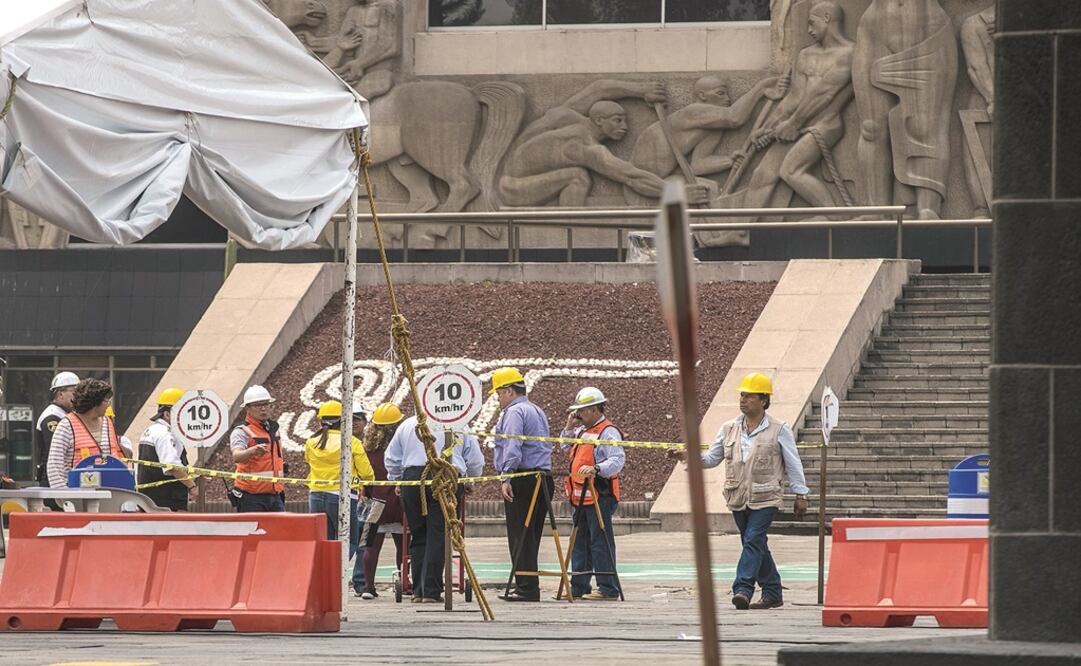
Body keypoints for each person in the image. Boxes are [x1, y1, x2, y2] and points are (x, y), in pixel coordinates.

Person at [670, 372, 809, 610]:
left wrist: (801, 494)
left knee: (753, 540)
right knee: (755, 543)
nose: (743, 400)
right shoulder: (729, 428)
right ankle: (773, 592)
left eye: (749, 396)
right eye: (742, 395)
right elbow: (712, 458)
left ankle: (743, 589)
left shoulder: (779, 429)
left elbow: (793, 463)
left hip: (766, 497)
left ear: (764, 400)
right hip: (738, 497)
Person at [385, 412, 481, 603]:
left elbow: (392, 457)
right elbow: (475, 459)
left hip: (413, 480)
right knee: (439, 536)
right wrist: (470, 479)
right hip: (445, 477)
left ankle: (418, 590)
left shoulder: (408, 425)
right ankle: (430, 590)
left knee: (418, 534)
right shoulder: (458, 425)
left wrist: (396, 479)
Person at [490, 366, 552, 602]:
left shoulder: (514, 412)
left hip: (523, 478)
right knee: (531, 535)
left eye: (499, 394)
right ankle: (528, 584)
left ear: (509, 391)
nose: (498, 399)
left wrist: (506, 476)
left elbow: (512, 446)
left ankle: (526, 587)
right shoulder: (536, 410)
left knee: (520, 534)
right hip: (541, 477)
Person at [561, 386, 625, 601]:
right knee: (579, 542)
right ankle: (579, 586)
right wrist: (569, 427)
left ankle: (608, 588)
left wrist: (597, 468)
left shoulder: (608, 431)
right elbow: (564, 447)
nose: (579, 414)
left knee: (600, 543)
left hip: (600, 495)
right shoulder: (581, 430)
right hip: (580, 496)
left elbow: (617, 460)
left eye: (582, 410)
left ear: (595, 409)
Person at [304, 400, 375, 591]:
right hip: (342, 497)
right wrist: (366, 484)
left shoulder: (311, 442)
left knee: (325, 541)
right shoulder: (351, 442)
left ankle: (324, 580)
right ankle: (336, 572)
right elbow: (367, 473)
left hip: (315, 495)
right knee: (350, 540)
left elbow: (308, 461)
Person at [359, 402, 406, 599]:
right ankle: (405, 583)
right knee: (403, 547)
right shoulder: (401, 447)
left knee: (371, 547)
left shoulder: (367, 449)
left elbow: (361, 475)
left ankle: (368, 587)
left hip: (375, 503)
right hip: (398, 502)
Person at [46, 378, 124, 488]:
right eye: (106, 401)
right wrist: (64, 494)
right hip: (76, 493)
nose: (108, 405)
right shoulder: (66, 426)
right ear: (95, 402)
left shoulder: (108, 423)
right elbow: (54, 466)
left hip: (108, 491)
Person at [136, 388, 197, 511]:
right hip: (167, 502)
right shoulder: (165, 435)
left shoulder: (150, 431)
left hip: (150, 501)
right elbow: (172, 466)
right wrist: (192, 486)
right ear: (167, 414)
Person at [229, 385, 286, 512]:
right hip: (251, 497)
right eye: (257, 405)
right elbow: (236, 456)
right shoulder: (242, 431)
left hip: (275, 494)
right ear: (247, 408)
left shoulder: (274, 429)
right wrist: (251, 451)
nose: (263, 408)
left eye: (265, 404)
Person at [35, 371, 78, 505]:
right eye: (74, 392)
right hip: (52, 479)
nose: (78, 396)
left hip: (61, 478)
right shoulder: (52, 417)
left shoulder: (64, 414)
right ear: (60, 394)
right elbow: (55, 452)